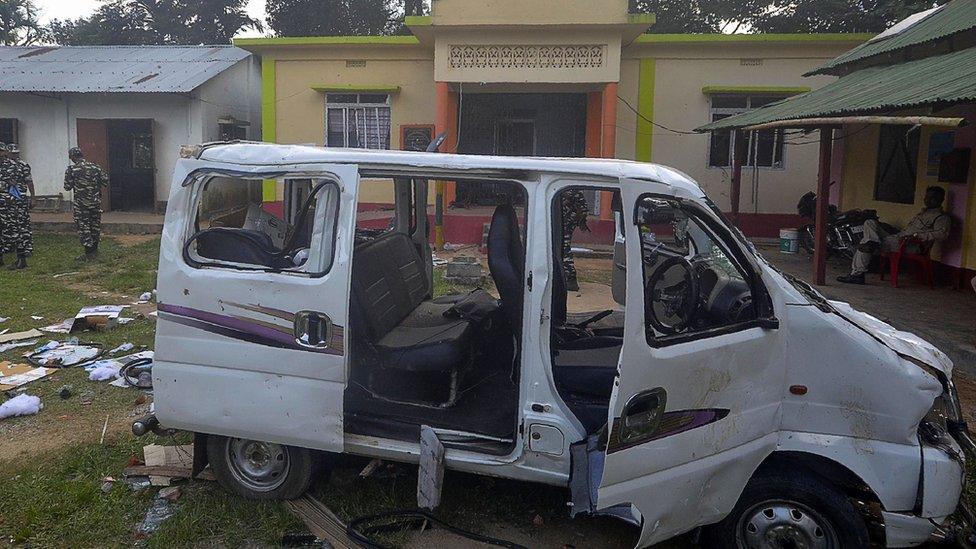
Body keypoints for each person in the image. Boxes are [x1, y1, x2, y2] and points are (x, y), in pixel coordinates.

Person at [837, 186, 950, 285]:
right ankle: (872, 243)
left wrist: (918, 236)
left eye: (933, 197)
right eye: (927, 197)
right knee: (870, 222)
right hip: (898, 239)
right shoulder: (923, 213)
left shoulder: (941, 217)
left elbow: (942, 234)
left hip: (910, 245)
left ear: (940, 199)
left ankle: (857, 274)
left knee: (864, 243)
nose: (928, 200)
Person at [64, 147, 109, 262]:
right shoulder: (95, 167)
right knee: (95, 226)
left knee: (84, 228)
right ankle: (95, 251)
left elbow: (67, 187)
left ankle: (88, 254)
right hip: (95, 203)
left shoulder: (72, 169)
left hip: (81, 205)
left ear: (72, 157)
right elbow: (106, 181)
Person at [0, 142, 34, 270]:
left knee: (16, 230)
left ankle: (21, 259)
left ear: (4, 152)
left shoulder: (13, 166)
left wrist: (13, 198)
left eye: (1, 151)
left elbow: (15, 186)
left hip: (10, 203)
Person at [561, 189, 590, 291]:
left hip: (567, 221)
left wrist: (580, 220)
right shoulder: (566, 188)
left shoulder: (571, 189)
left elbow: (583, 208)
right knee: (561, 246)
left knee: (564, 247)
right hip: (562, 220)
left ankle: (570, 277)